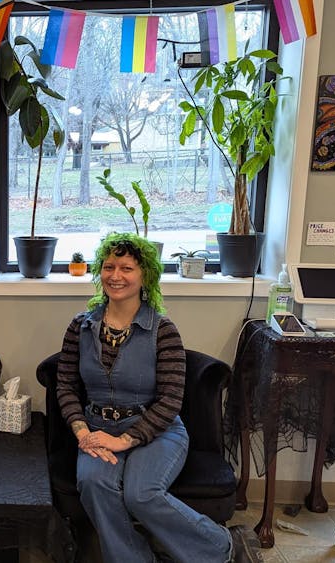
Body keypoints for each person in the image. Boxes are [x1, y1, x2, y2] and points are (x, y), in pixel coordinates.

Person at [55, 232, 261, 563]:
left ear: (145, 275)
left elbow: (170, 399)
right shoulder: (80, 327)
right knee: (94, 484)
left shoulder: (163, 330)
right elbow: (65, 384)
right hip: (95, 427)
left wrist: (125, 439)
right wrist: (82, 432)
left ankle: (223, 546)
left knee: (142, 494)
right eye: (109, 267)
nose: (116, 276)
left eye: (127, 268)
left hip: (156, 429)